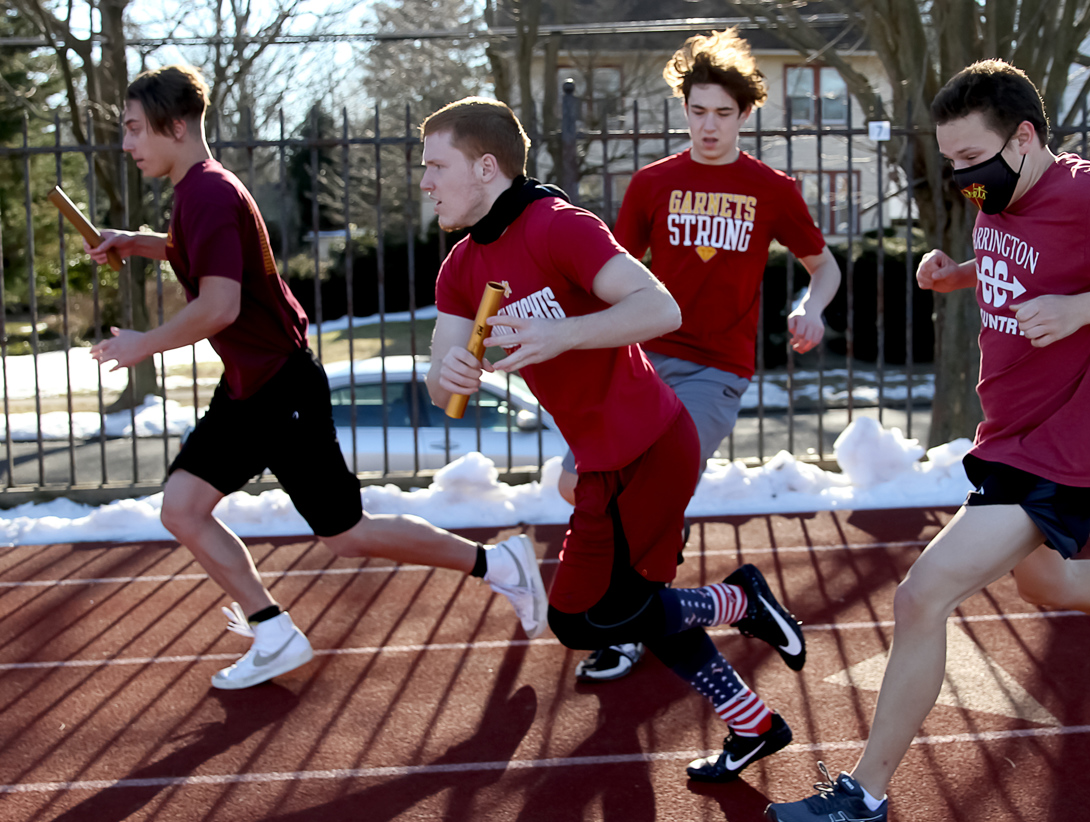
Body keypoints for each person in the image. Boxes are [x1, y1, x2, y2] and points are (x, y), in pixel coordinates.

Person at [766, 59, 1090, 822]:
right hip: (1009, 434)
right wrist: (962, 275)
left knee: (921, 596)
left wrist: (1087, 306)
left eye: (972, 157)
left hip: (1062, 443)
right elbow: (1031, 265)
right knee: (1046, 578)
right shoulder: (1002, 196)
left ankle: (865, 801)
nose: (962, 175)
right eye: (950, 162)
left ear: (1024, 137)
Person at [84, 65, 549, 691]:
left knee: (347, 535)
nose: (128, 144)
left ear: (174, 126)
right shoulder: (198, 193)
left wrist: (145, 344)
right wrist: (135, 243)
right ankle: (272, 629)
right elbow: (197, 252)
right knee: (183, 507)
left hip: (281, 387)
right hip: (251, 385)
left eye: (136, 129)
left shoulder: (210, 193)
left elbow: (219, 304)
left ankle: (498, 563)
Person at [424, 96, 807, 783]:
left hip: (654, 443)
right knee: (578, 620)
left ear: (485, 167)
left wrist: (560, 332)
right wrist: (447, 372)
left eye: (435, 165)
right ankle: (753, 710)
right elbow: (443, 389)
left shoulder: (557, 226)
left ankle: (743, 610)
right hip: (601, 464)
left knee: (625, 607)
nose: (424, 182)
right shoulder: (459, 268)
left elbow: (660, 305)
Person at [566, 28, 842, 684]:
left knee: (652, 487)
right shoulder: (652, 183)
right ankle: (655, 612)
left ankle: (627, 628)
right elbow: (614, 272)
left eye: (723, 113)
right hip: (641, 361)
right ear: (682, 108)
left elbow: (823, 266)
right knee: (580, 485)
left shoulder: (770, 189)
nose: (709, 125)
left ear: (744, 115)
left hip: (716, 370)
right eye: (697, 111)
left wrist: (813, 307)